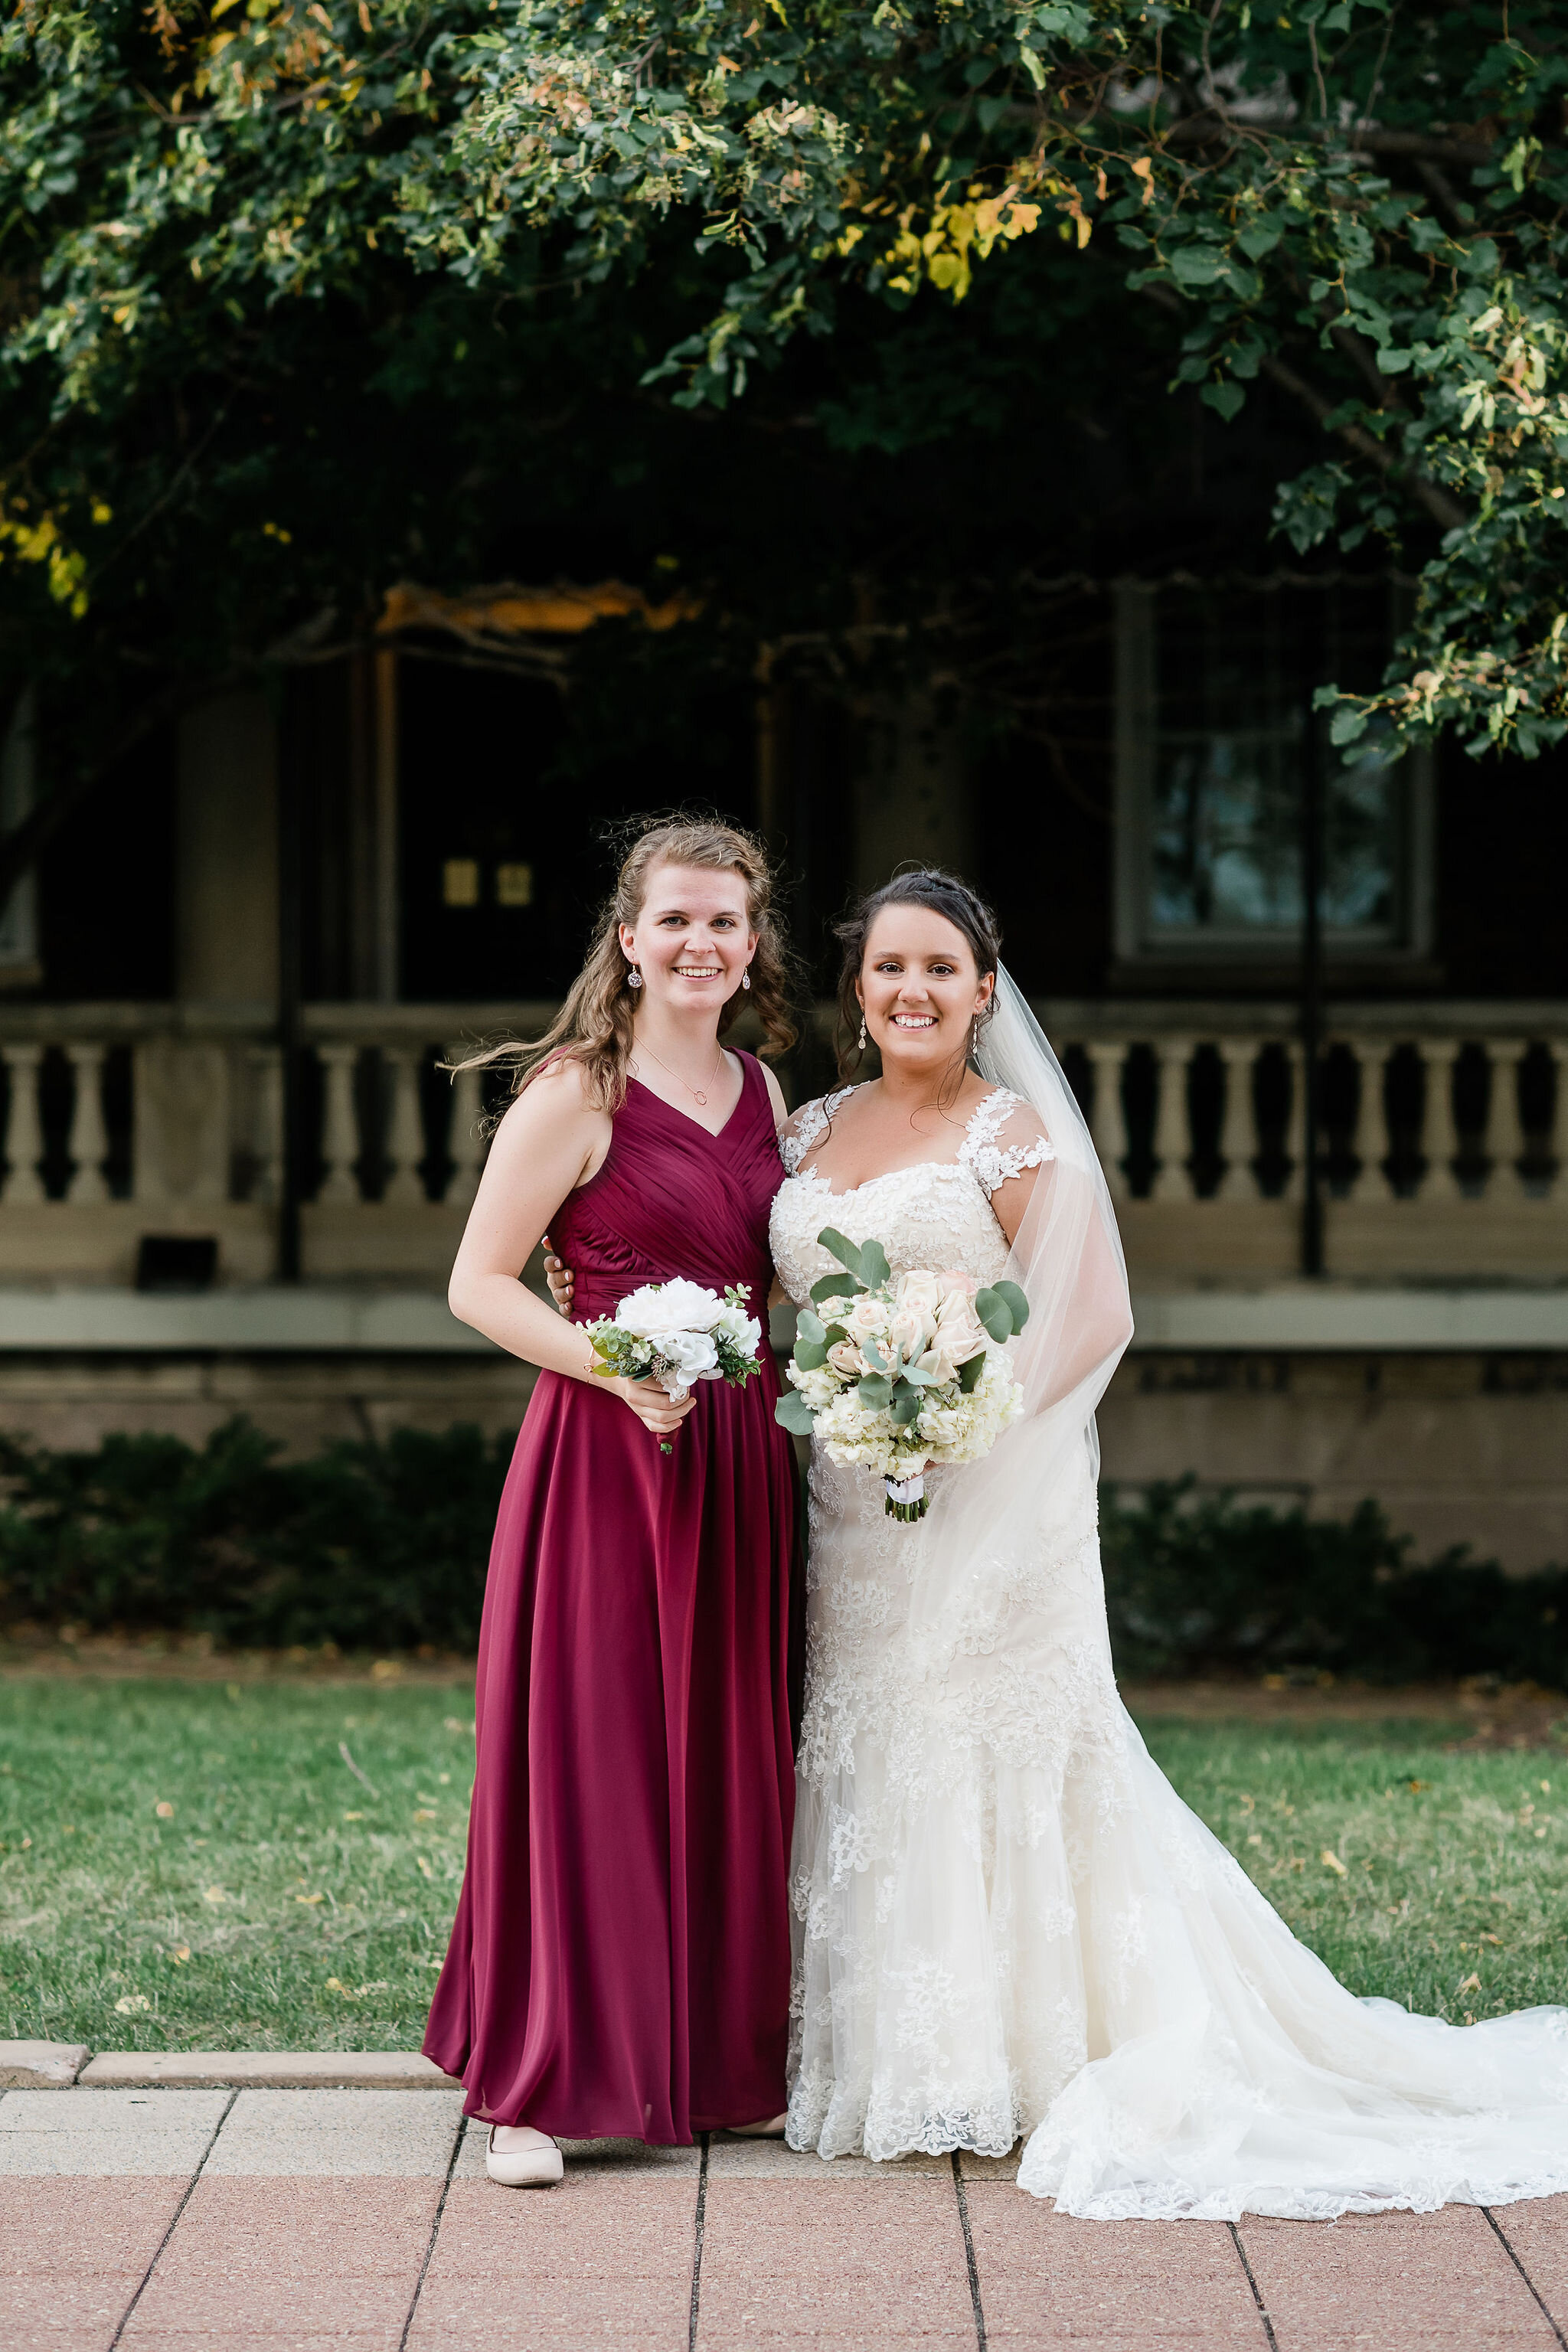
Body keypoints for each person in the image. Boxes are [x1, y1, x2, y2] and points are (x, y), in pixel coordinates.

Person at [764, 867, 1568, 2220]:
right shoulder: (809, 1130)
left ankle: (1029, 2059)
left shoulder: (1011, 1139)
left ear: (981, 989)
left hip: (988, 1492)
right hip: (844, 1504)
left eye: (941, 970)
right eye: (890, 966)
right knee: (873, 1737)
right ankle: (905, 2061)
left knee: (993, 1737)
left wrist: (960, 1416)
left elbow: (1090, 1318)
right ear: (858, 986)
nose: (913, 990)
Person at [424, 816, 800, 2187]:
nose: (702, 943)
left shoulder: (765, 1096)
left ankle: (707, 2065)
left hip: (745, 1458)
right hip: (605, 1460)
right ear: (630, 938)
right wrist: (618, 1364)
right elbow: (478, 1282)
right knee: (592, 1753)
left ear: (753, 945)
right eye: (677, 920)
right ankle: (535, 2083)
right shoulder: (577, 1090)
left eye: (727, 922)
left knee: (726, 1748)